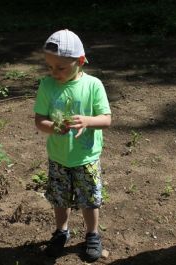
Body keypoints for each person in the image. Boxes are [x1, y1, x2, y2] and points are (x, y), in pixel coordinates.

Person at [33, 29, 112, 261]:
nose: (53, 72)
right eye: (49, 67)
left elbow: (106, 119)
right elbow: (39, 121)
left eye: (60, 67)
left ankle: (92, 235)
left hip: (86, 158)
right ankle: (62, 231)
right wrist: (54, 127)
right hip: (58, 157)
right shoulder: (47, 86)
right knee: (60, 198)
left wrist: (87, 121)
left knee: (89, 200)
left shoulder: (93, 85)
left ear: (80, 61)